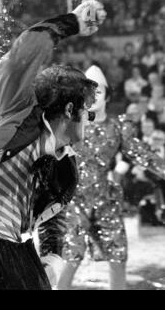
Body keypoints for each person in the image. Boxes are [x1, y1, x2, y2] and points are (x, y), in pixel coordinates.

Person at [0, 0, 107, 290]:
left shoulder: (67, 167)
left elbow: (54, 217)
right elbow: (20, 58)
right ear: (68, 110)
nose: (89, 119)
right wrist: (71, 23)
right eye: (86, 112)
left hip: (11, 246)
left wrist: (52, 258)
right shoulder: (19, 111)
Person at [58, 65, 165, 290]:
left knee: (118, 257)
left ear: (107, 96)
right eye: (87, 91)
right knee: (72, 257)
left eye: (98, 91)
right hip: (75, 200)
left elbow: (142, 154)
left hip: (106, 200)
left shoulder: (117, 127)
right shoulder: (68, 126)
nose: (93, 96)